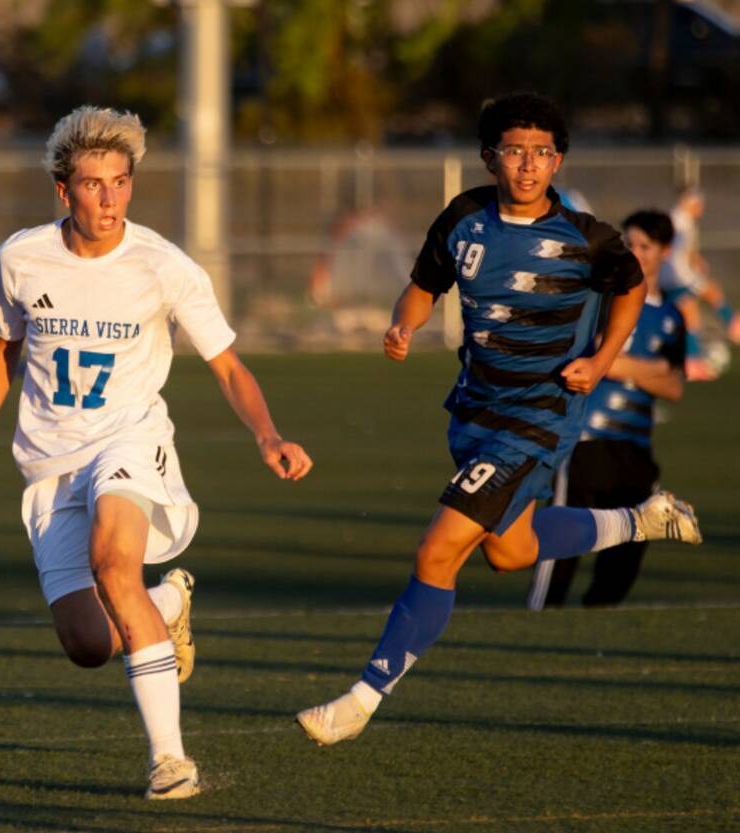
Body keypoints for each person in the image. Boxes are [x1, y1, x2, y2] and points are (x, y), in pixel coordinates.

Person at [296, 92, 702, 746]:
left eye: (543, 152)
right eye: (515, 151)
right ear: (490, 158)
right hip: (476, 411)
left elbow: (630, 288)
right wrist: (404, 321)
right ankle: (641, 519)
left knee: (437, 550)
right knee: (510, 551)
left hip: (538, 418)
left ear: (558, 159)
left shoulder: (585, 235)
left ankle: (362, 697)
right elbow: (424, 283)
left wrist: (599, 362)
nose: (529, 164)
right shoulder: (463, 218)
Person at [0, 106, 312, 799]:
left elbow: (229, 365)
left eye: (121, 182)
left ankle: (170, 760)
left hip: (129, 439)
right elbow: (3, 348)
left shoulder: (163, 265)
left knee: (112, 562)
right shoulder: (20, 258)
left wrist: (269, 435)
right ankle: (164, 602)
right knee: (89, 643)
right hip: (50, 462)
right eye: (93, 184)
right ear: (64, 190)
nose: (110, 198)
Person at [527, 210, 687, 609]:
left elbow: (675, 385)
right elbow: (599, 359)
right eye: (629, 243)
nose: (635, 253)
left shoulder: (671, 318)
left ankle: (597, 619)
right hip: (585, 441)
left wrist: (620, 366)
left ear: (664, 252)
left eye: (644, 247)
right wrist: (648, 368)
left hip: (633, 447)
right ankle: (540, 617)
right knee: (561, 550)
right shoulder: (604, 296)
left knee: (628, 550)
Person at [662, 186, 738, 381]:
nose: (701, 208)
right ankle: (731, 324)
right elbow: (672, 250)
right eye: (698, 204)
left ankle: (692, 359)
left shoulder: (684, 220)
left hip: (677, 275)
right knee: (699, 302)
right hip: (676, 276)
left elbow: (684, 249)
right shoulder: (679, 220)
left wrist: (696, 260)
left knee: (692, 310)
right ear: (691, 203)